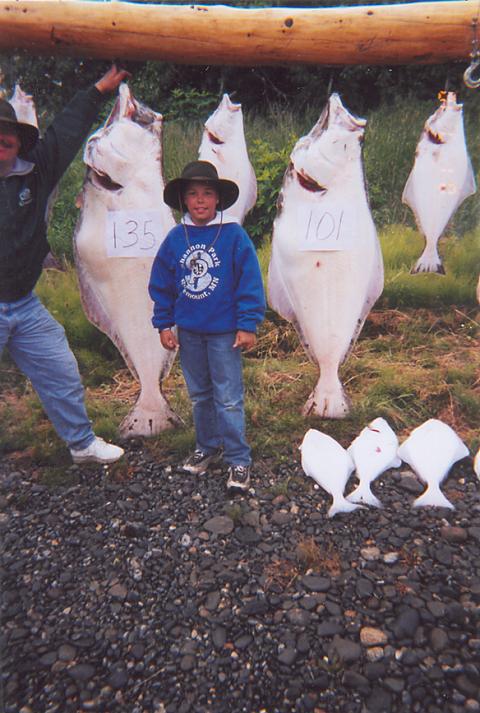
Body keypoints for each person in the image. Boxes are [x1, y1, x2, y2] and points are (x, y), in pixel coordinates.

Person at [0, 65, 130, 464]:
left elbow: (65, 133)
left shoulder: (35, 172)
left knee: (61, 370)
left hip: (24, 303)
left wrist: (100, 89)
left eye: (4, 142)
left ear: (17, 144)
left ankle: (82, 444)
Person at [148, 161, 265, 493]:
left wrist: (248, 324)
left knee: (228, 398)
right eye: (193, 195)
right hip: (189, 332)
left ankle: (239, 459)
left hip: (225, 332)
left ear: (218, 200)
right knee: (200, 396)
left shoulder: (233, 235)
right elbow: (162, 284)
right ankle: (207, 447)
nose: (200, 201)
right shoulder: (175, 238)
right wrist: (164, 324)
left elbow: (250, 282)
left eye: (207, 194)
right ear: (184, 200)